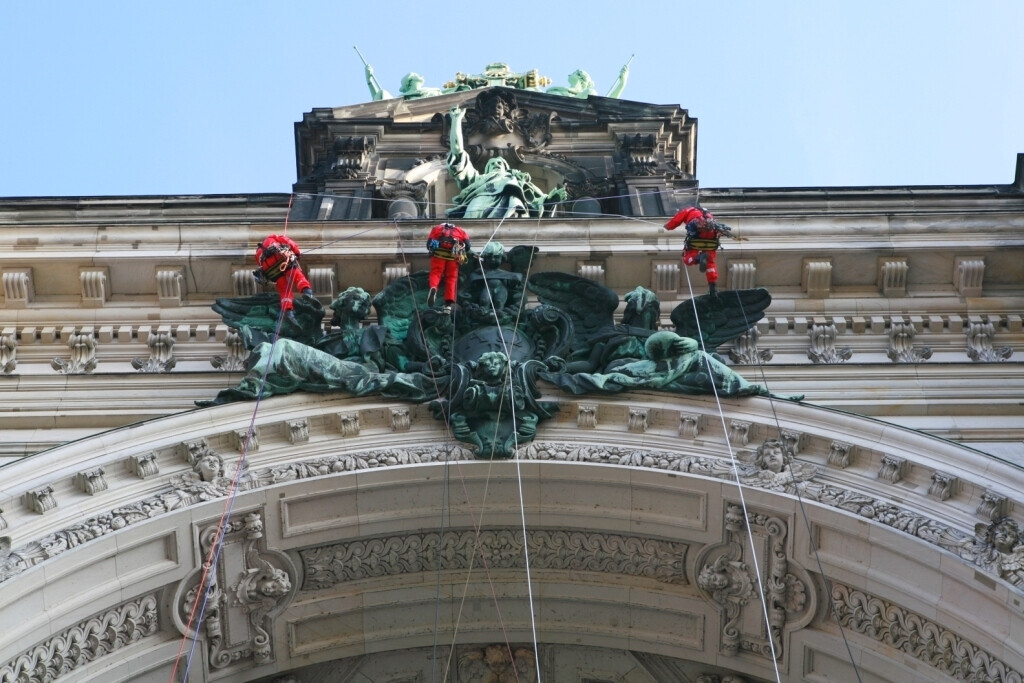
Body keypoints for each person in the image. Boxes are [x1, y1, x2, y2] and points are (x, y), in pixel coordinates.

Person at [446, 106, 567, 219]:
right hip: (479, 202)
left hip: (513, 202)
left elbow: (537, 201)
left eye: (500, 163)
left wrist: (552, 199)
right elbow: (457, 150)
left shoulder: (517, 180)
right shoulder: (477, 179)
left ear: (507, 168)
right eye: (491, 164)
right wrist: (456, 121)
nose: (496, 164)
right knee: (471, 228)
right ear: (486, 170)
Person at [664, 206, 732, 297]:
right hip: (711, 237)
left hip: (698, 235)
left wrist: (668, 226)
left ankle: (698, 258)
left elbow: (677, 219)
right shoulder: (708, 215)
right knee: (710, 262)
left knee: (687, 258)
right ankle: (713, 287)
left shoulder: (689, 210)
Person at [254, 234, 314, 320]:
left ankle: (288, 311)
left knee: (284, 289)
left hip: (271, 270)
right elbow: (288, 242)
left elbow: (260, 265)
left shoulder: (257, 253)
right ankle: (307, 291)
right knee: (296, 274)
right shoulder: (272, 238)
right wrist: (296, 253)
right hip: (279, 258)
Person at [426, 222, 471, 313]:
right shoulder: (460, 231)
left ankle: (434, 287)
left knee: (436, 273)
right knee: (451, 278)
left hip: (439, 254)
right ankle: (448, 304)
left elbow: (429, 244)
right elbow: (468, 246)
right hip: (453, 256)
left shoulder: (436, 229)